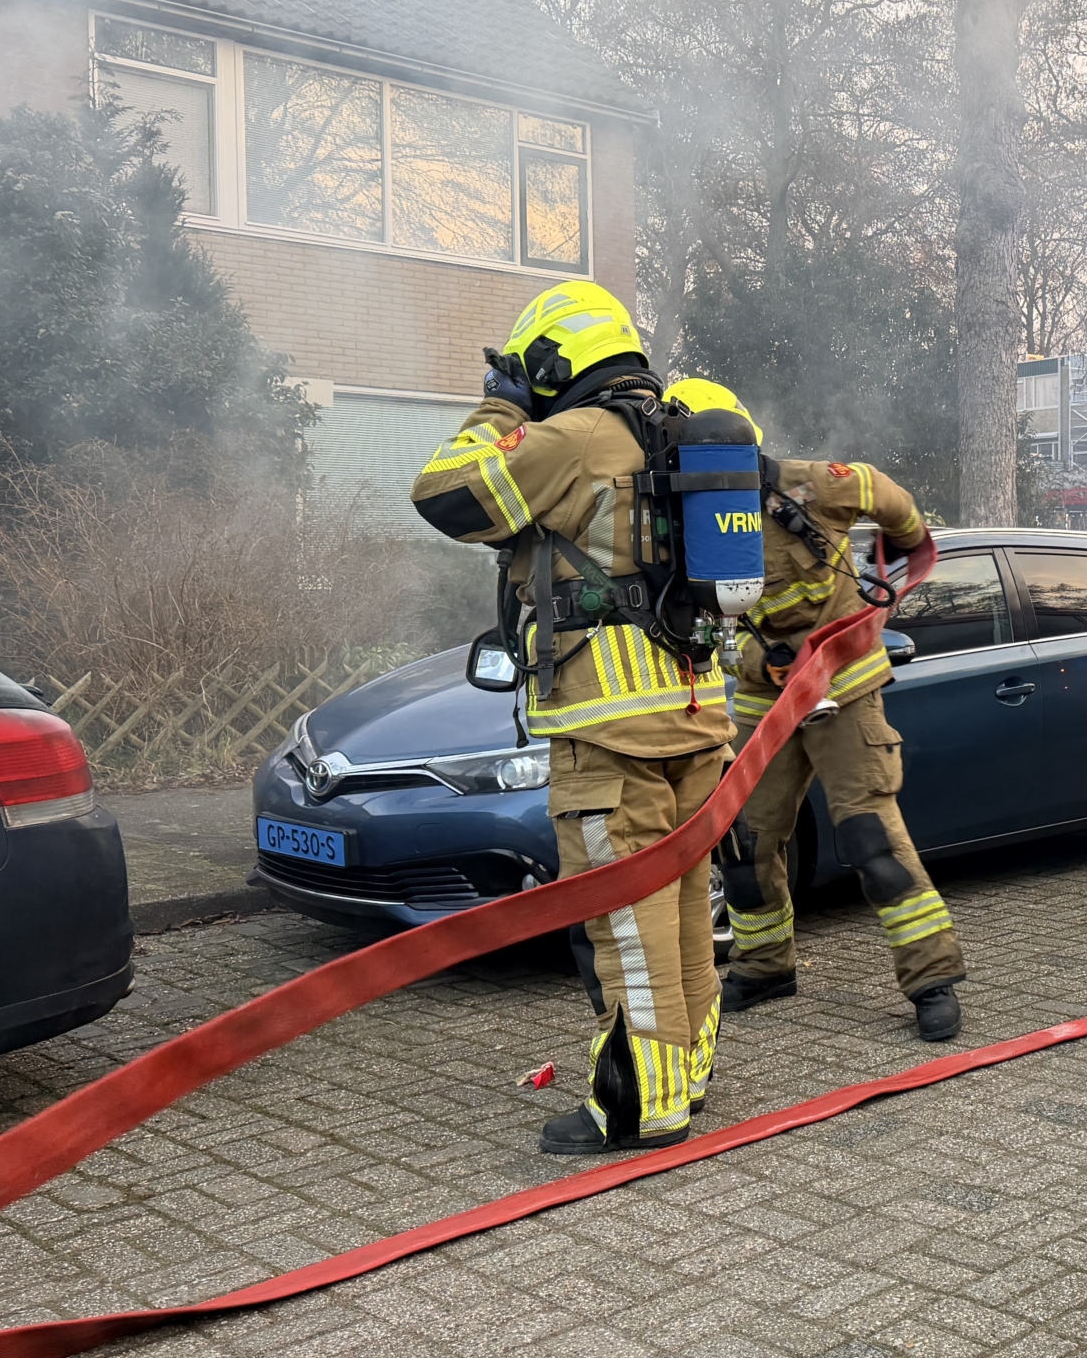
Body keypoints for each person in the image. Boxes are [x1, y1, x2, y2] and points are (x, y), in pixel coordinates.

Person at [410, 282, 735, 1154]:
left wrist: (496, 406)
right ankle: (687, 1080)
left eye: (532, 368)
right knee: (684, 906)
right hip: (698, 720)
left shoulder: (572, 438)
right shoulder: (666, 429)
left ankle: (639, 1107)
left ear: (556, 362)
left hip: (608, 724)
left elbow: (443, 494)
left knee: (624, 917)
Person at [693, 381, 966, 1042]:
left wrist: (902, 548)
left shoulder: (815, 488)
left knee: (869, 835)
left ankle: (932, 978)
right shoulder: (692, 522)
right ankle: (764, 966)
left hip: (842, 685)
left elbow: (888, 499)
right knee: (747, 841)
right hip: (766, 698)